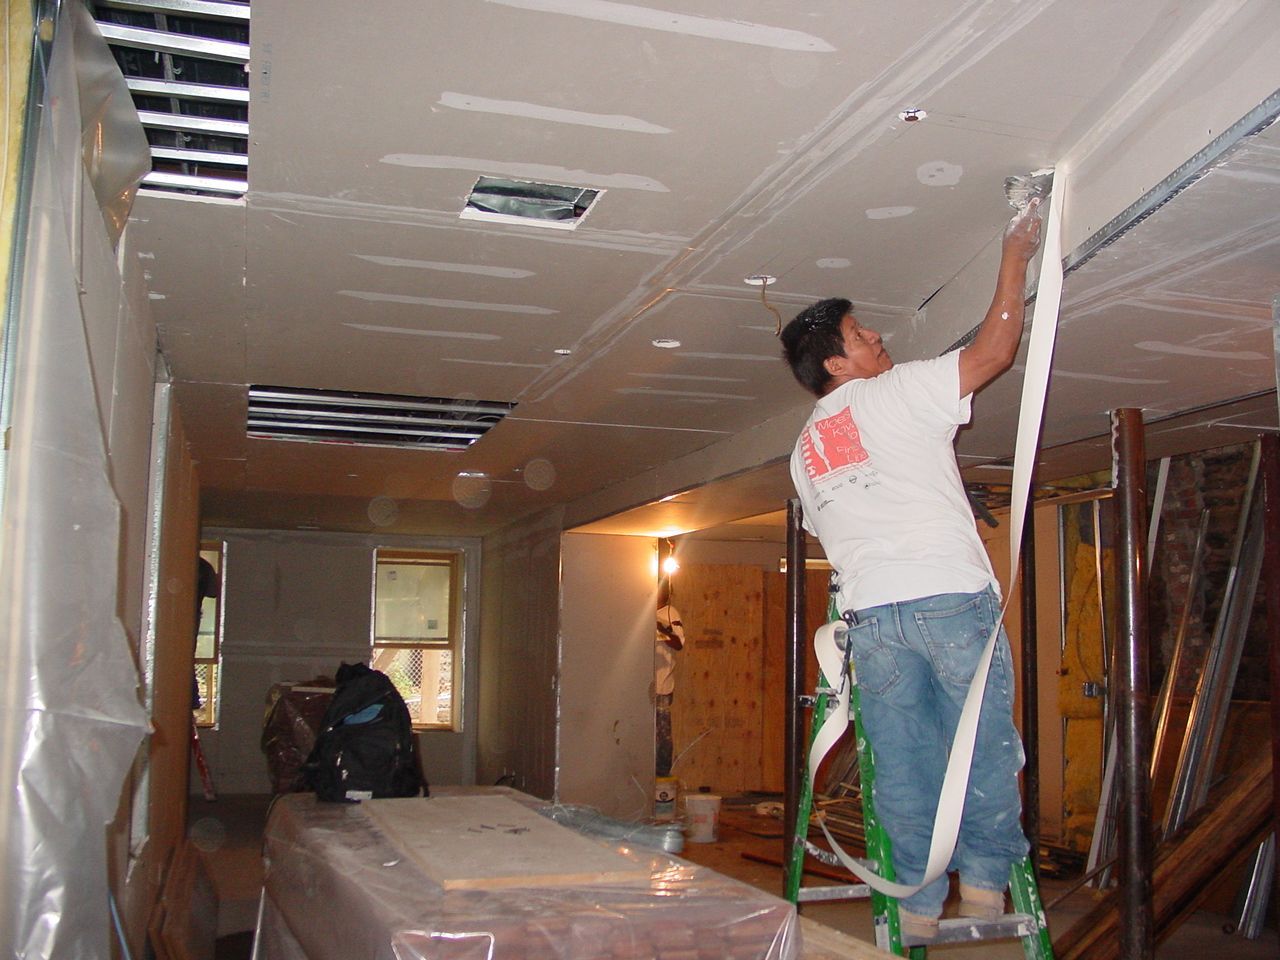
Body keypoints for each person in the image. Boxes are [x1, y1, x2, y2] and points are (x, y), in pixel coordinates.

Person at [780, 200, 1043, 940]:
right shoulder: (891, 392)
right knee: (980, 744)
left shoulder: (802, 450)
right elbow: (993, 351)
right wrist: (1016, 254)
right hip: (948, 600)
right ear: (838, 365)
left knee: (903, 763)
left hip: (873, 621)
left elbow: (834, 523)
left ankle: (916, 907)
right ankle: (984, 886)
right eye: (861, 335)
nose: (878, 338)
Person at [654, 580, 685, 778]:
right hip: (643, 686)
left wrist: (662, 628)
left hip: (662, 685)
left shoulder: (669, 613)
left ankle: (662, 773)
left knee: (662, 734)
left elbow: (679, 643)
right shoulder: (641, 613)